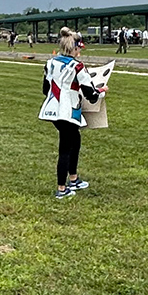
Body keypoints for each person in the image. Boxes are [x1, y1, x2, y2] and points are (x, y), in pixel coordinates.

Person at [38, 28, 96, 198]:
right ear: (75, 48)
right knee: (65, 147)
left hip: (52, 110)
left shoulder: (50, 63)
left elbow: (45, 89)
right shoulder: (77, 66)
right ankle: (62, 188)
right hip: (68, 111)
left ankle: (74, 178)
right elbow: (90, 94)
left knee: (75, 140)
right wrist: (101, 91)